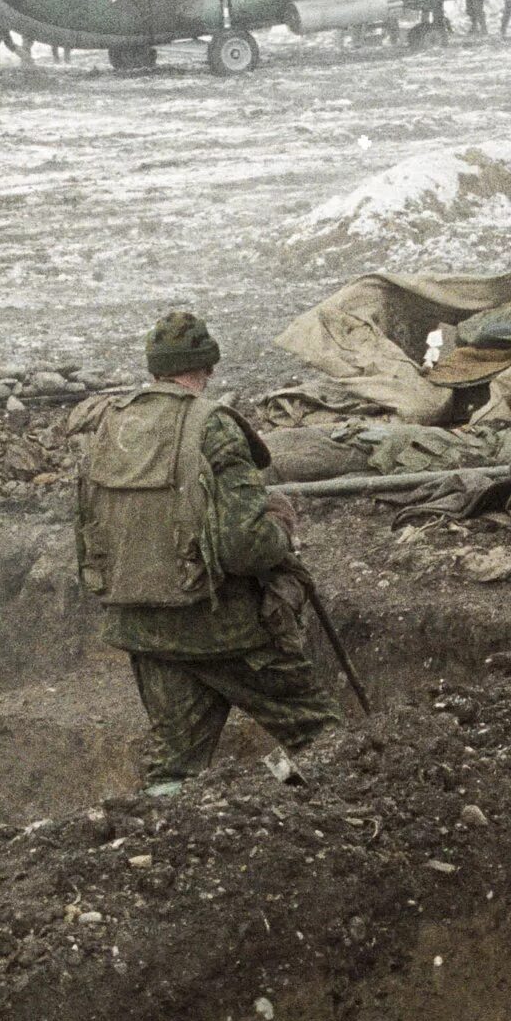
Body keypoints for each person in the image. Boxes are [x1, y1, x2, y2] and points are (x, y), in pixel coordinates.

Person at [73, 313, 342, 796]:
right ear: (208, 367)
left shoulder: (110, 425)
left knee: (175, 768)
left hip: (141, 626)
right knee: (322, 738)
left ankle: (155, 854)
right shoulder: (212, 426)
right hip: (224, 628)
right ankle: (352, 828)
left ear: (155, 368)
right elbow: (245, 548)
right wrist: (280, 525)